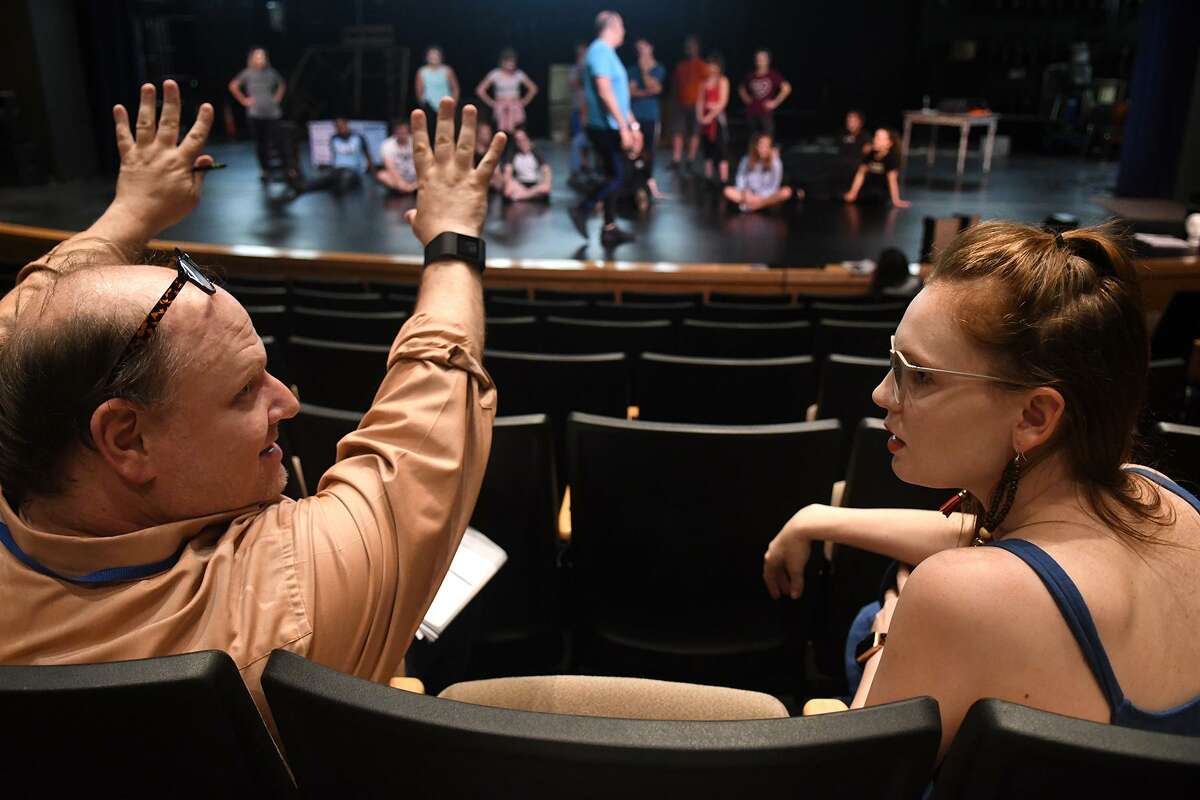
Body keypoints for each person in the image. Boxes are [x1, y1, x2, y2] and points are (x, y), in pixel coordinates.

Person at [0, 83, 506, 731]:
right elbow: (429, 418)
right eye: (246, 391)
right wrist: (454, 240)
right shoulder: (289, 600)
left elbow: (23, 326)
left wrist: (131, 212)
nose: (286, 402)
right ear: (125, 438)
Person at [763, 221, 1200, 755]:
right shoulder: (1161, 496)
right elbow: (998, 544)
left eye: (918, 375)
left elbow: (855, 775)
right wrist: (820, 518)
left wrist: (886, 636)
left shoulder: (957, 596)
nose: (882, 395)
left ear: (1035, 414)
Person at [570, 11, 637, 247]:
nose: (625, 31)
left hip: (612, 125)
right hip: (604, 127)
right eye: (622, 26)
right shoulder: (599, 50)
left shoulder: (607, 53)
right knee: (619, 175)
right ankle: (583, 208)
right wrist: (623, 127)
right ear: (611, 26)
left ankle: (609, 229)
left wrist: (632, 125)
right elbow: (605, 91)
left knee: (615, 174)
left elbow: (619, 95)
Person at [228, 46, 287, 181]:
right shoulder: (247, 73)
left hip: (272, 112)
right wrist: (244, 100)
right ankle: (265, 169)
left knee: (278, 140)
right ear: (252, 58)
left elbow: (282, 84)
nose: (260, 59)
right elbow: (233, 85)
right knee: (261, 143)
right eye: (258, 56)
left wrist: (277, 97)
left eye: (262, 56)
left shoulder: (271, 73)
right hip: (255, 113)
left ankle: (285, 168)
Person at [628, 38, 667, 195]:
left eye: (643, 47)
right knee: (634, 149)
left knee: (650, 150)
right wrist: (648, 91)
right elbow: (631, 92)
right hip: (635, 115)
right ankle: (633, 182)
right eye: (638, 48)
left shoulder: (659, 69)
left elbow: (656, 88)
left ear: (650, 47)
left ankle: (649, 181)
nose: (640, 51)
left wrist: (644, 71)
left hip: (651, 115)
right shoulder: (632, 69)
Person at [303, 117, 375, 196]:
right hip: (338, 169)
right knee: (322, 180)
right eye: (338, 127)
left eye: (342, 126)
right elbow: (335, 157)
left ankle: (339, 194)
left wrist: (374, 174)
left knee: (343, 181)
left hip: (353, 170)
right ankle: (300, 189)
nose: (340, 129)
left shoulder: (358, 138)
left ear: (346, 124)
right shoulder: (334, 138)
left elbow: (368, 155)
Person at [723, 132, 794, 212]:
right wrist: (745, 192)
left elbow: (774, 185)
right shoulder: (746, 159)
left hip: (767, 196)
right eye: (761, 145)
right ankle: (757, 205)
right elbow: (740, 178)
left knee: (786, 192)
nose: (764, 149)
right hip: (749, 193)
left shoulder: (776, 162)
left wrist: (760, 197)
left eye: (767, 146)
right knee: (727, 191)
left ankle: (755, 206)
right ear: (755, 146)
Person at [475, 49, 539, 133]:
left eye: (513, 61)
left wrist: (523, 102)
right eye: (509, 61)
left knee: (518, 132)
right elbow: (480, 90)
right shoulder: (495, 74)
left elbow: (533, 88)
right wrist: (492, 103)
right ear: (502, 62)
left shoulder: (518, 74)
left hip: (515, 107)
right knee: (501, 133)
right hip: (501, 107)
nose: (511, 64)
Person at [844, 128, 909, 208]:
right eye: (875, 137)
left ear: (889, 143)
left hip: (881, 192)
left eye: (879, 139)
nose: (875, 140)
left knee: (874, 196)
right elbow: (861, 174)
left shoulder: (891, 158)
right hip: (868, 187)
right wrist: (853, 192)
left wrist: (896, 201)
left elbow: (892, 180)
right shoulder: (870, 154)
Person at [670, 35, 706, 170]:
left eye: (692, 45)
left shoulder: (703, 66)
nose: (689, 48)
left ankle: (690, 160)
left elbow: (707, 86)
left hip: (696, 104)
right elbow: (675, 85)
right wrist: (673, 103)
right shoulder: (680, 66)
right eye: (687, 46)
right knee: (677, 131)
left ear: (697, 47)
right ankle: (676, 159)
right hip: (680, 104)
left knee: (694, 132)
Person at [737, 49, 791, 136]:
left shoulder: (773, 74)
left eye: (763, 58)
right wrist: (746, 98)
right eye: (758, 58)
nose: (760, 60)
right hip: (751, 113)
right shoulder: (751, 75)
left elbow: (787, 88)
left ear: (768, 60)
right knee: (753, 140)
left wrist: (775, 102)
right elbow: (741, 88)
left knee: (767, 140)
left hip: (766, 114)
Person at [696, 53, 731, 185]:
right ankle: (709, 177)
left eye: (713, 65)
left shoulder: (722, 80)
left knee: (721, 150)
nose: (711, 68)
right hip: (705, 121)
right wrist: (700, 117)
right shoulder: (703, 83)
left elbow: (722, 102)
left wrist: (710, 116)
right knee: (707, 150)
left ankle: (723, 179)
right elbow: (699, 102)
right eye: (709, 65)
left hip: (717, 120)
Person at [502, 127, 551, 202]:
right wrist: (510, 183)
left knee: (545, 188)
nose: (521, 143)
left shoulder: (535, 152)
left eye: (523, 139)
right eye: (518, 141)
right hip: (519, 184)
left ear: (528, 139)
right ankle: (530, 196)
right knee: (507, 189)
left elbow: (546, 170)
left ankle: (522, 196)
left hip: (535, 184)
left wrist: (547, 182)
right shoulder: (513, 154)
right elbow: (507, 172)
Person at [568, 42, 592, 181]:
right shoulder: (575, 68)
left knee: (589, 141)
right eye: (580, 52)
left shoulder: (591, 68)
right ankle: (577, 168)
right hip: (577, 108)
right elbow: (574, 84)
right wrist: (580, 68)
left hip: (590, 110)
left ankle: (586, 164)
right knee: (578, 139)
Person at [375, 119, 418, 194]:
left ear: (408, 131)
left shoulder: (415, 141)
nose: (402, 135)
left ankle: (409, 189)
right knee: (381, 175)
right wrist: (400, 182)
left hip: (415, 177)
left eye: (404, 132)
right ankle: (408, 189)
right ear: (395, 132)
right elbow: (390, 167)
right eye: (400, 132)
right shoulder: (387, 144)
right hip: (397, 177)